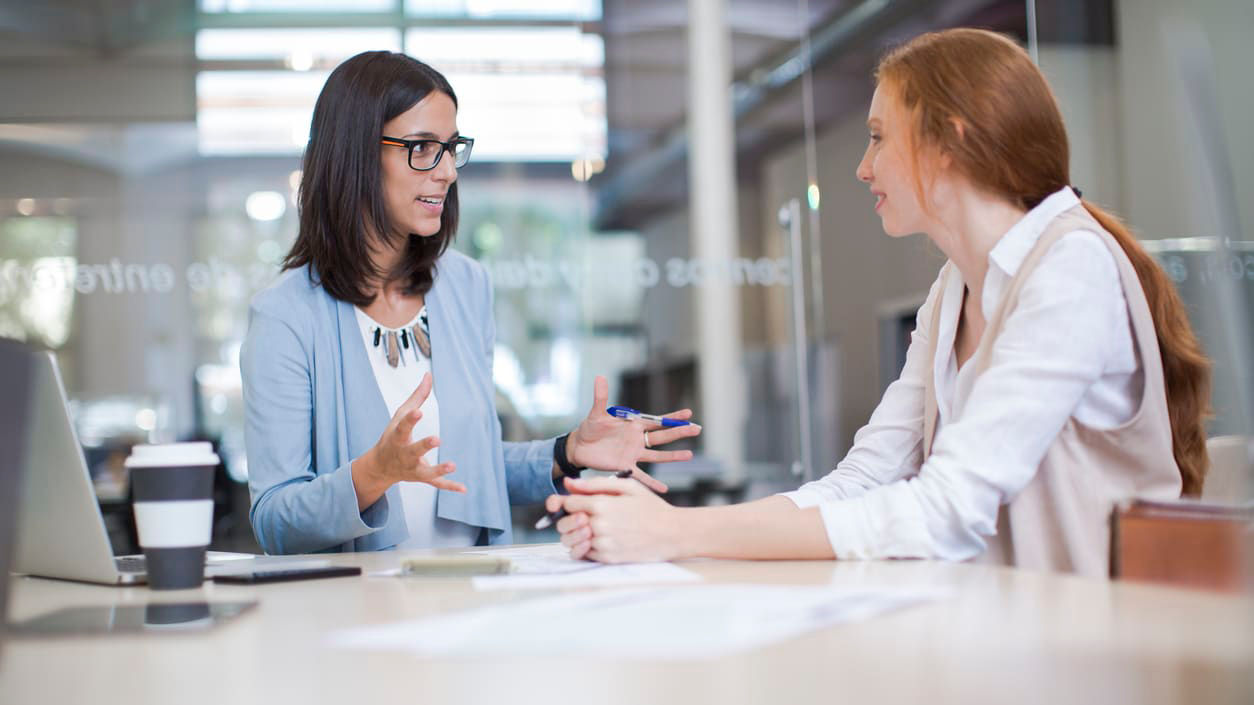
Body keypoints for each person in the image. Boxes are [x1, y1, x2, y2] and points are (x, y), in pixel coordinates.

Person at [547, 28, 1211, 577]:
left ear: (946, 141)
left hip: (1098, 652)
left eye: (877, 136)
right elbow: (860, 482)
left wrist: (673, 530)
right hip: (1005, 637)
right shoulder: (953, 290)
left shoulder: (1072, 268)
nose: (863, 168)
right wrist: (663, 529)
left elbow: (948, 507)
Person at [241, 51, 700, 555]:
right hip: (359, 613)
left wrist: (569, 452)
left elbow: (471, 467)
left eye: (450, 148)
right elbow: (273, 522)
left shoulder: (464, 285)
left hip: (470, 598)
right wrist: (372, 475)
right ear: (353, 153)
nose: (446, 173)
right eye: (421, 148)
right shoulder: (286, 317)